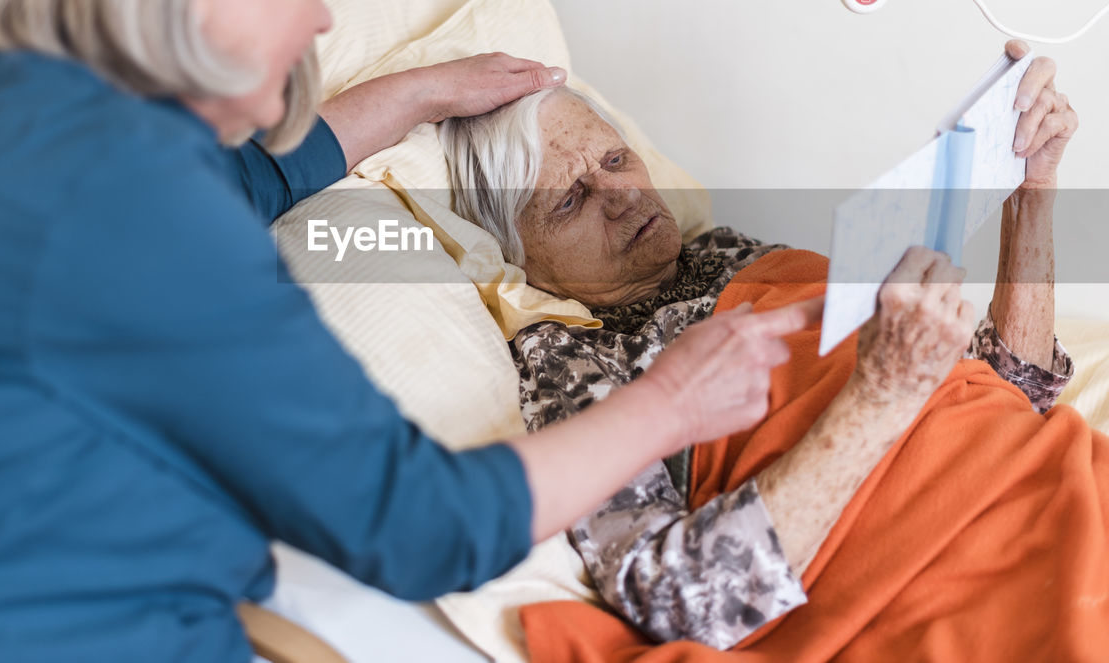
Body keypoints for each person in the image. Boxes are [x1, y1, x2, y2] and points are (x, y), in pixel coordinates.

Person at [0, 0, 814, 662]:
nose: (320, 12)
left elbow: (244, 179)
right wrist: (670, 405)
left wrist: (422, 90)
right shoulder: (132, 206)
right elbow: (420, 524)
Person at [439, 48, 1082, 650]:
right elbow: (684, 601)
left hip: (1055, 482)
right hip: (958, 582)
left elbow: (1016, 394)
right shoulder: (570, 361)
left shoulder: (730, 250)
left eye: (614, 161)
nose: (624, 195)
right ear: (516, 254)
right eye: (571, 199)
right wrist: (886, 391)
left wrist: (1032, 192)